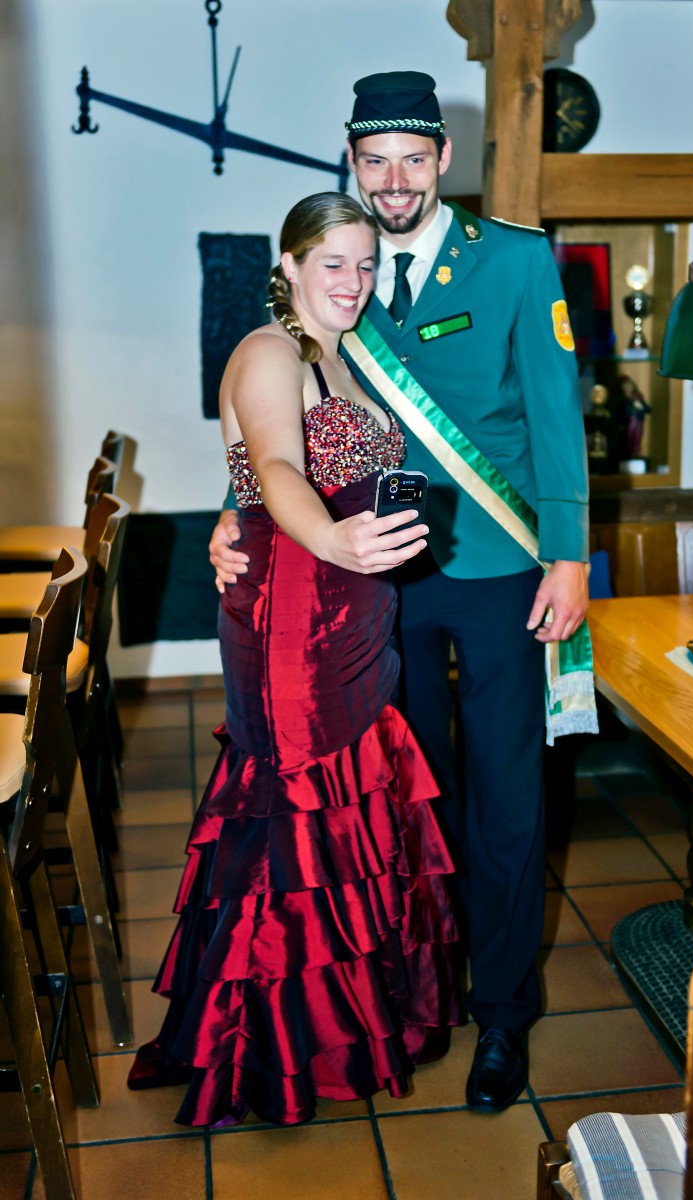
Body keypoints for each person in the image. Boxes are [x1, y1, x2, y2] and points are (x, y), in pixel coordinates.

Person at [210, 72, 592, 1114]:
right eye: (373, 160)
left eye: (413, 159)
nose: (393, 180)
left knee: (508, 794)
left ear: (442, 160)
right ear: (351, 161)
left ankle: (502, 1013)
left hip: (501, 568)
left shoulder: (513, 258)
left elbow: (554, 410)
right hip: (374, 586)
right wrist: (234, 513)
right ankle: (427, 983)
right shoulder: (339, 267)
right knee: (408, 797)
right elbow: (277, 421)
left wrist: (569, 555)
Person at [128, 192, 462, 1127]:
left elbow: (255, 476)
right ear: (290, 266)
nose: (353, 281)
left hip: (352, 621)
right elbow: (274, 465)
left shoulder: (340, 352)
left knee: (352, 806)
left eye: (366, 263)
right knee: (295, 813)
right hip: (295, 623)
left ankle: (354, 1020)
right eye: (333, 264)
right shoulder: (270, 351)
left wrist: (260, 521)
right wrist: (335, 540)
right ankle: (264, 1047)